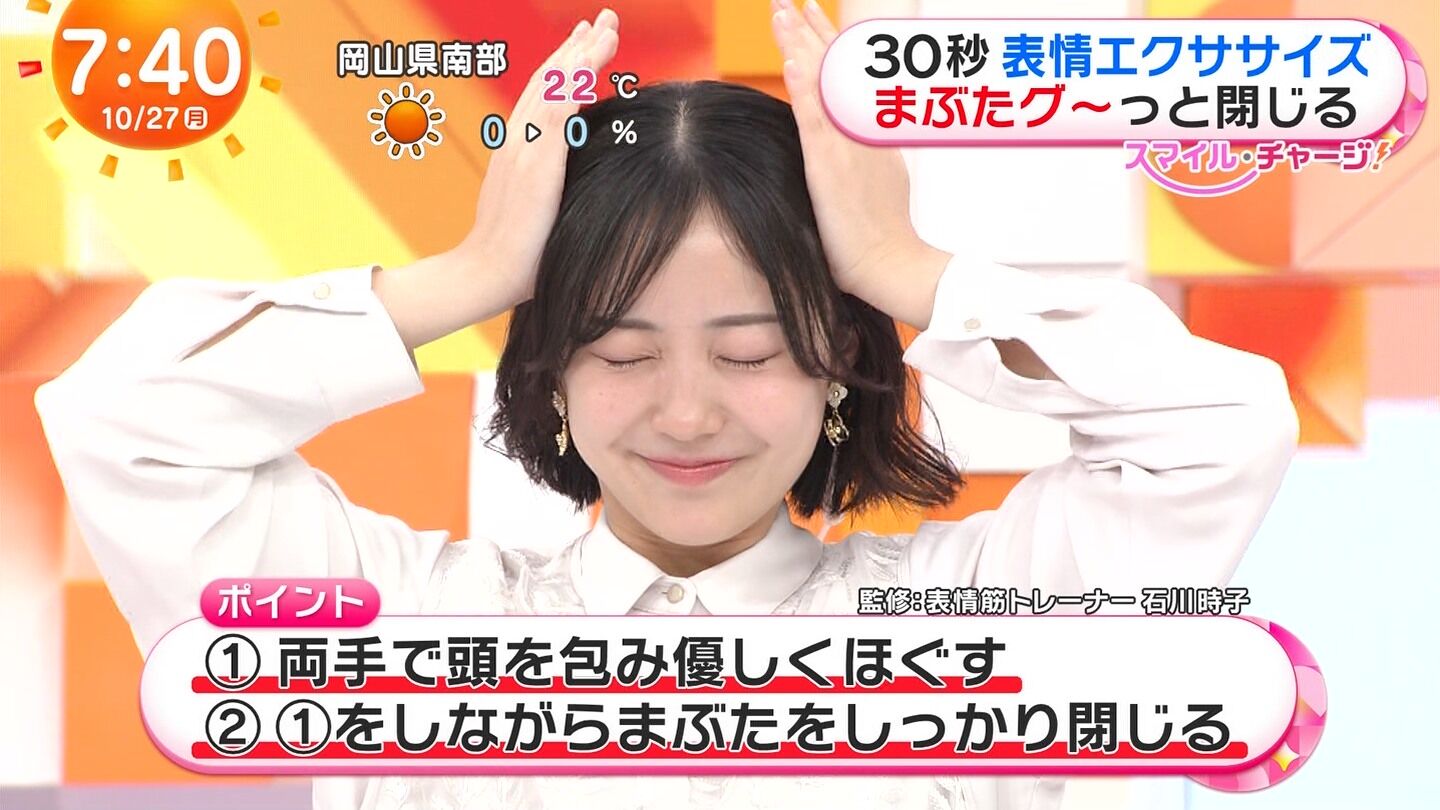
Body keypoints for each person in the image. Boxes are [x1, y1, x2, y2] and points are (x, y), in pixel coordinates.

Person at [34, 3, 1298, 809]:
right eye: (622, 352)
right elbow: (122, 421)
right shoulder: (410, 634)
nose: (687, 415)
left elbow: (1217, 430)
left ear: (837, 363)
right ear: (551, 375)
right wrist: (473, 274)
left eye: (749, 353)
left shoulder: (972, 632)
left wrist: (902, 265)